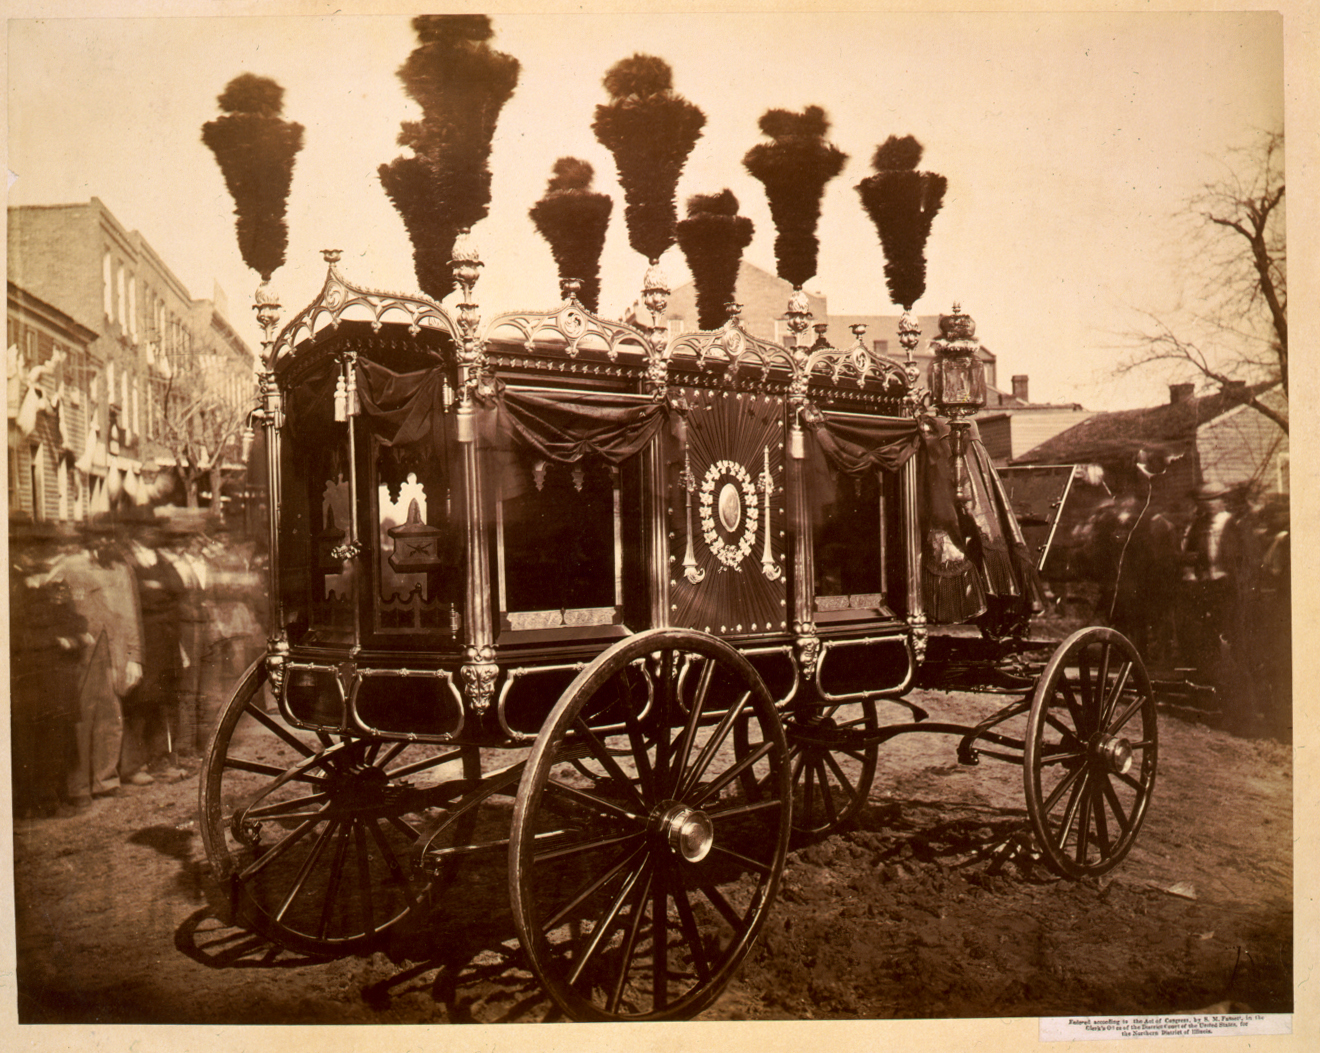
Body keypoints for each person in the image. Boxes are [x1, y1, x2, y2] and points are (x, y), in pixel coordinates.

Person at [41, 530, 144, 802]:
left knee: (111, 715)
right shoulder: (67, 567)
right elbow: (50, 605)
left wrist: (134, 656)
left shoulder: (122, 571)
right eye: (98, 539)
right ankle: (79, 786)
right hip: (81, 653)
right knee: (81, 717)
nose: (105, 544)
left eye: (109, 539)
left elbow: (130, 615)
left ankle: (105, 780)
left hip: (113, 652)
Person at [123, 533, 188, 778]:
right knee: (140, 702)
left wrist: (158, 588)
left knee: (164, 701)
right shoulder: (127, 560)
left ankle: (161, 760)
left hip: (167, 638)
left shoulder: (159, 559)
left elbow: (177, 587)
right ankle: (135, 765)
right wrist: (157, 590)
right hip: (144, 637)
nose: (152, 535)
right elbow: (141, 599)